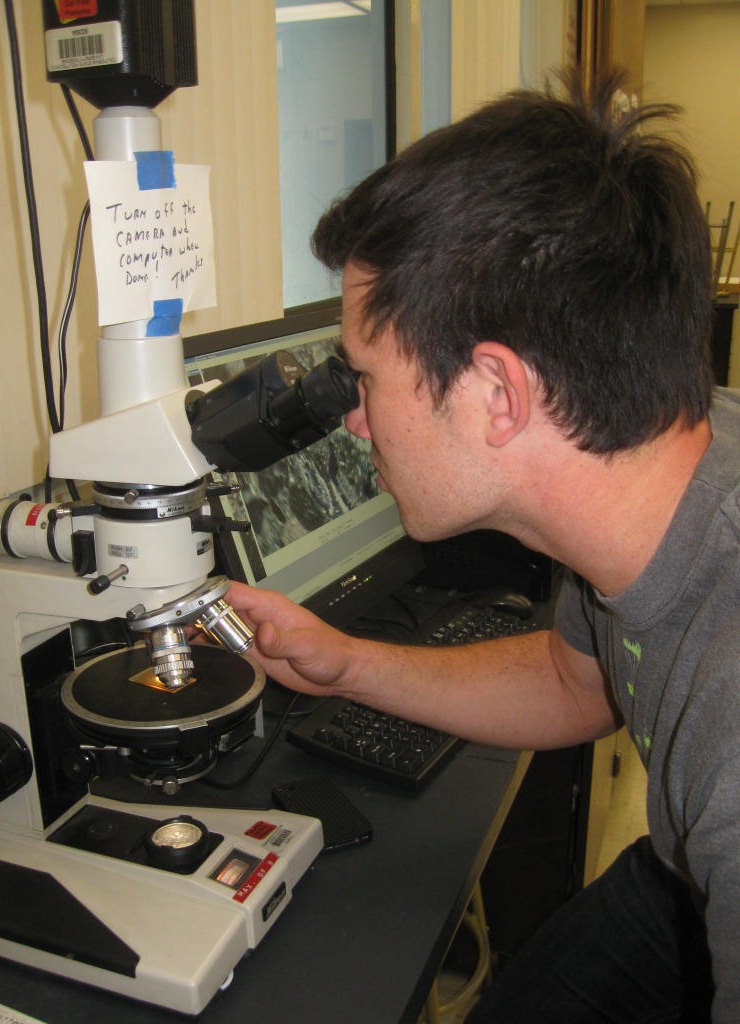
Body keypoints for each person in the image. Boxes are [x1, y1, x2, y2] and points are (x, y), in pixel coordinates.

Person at [225, 67, 740, 1023]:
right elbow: (575, 683)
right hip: (674, 872)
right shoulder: (656, 470)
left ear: (498, 395)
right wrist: (346, 667)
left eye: (369, 380)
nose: (356, 425)